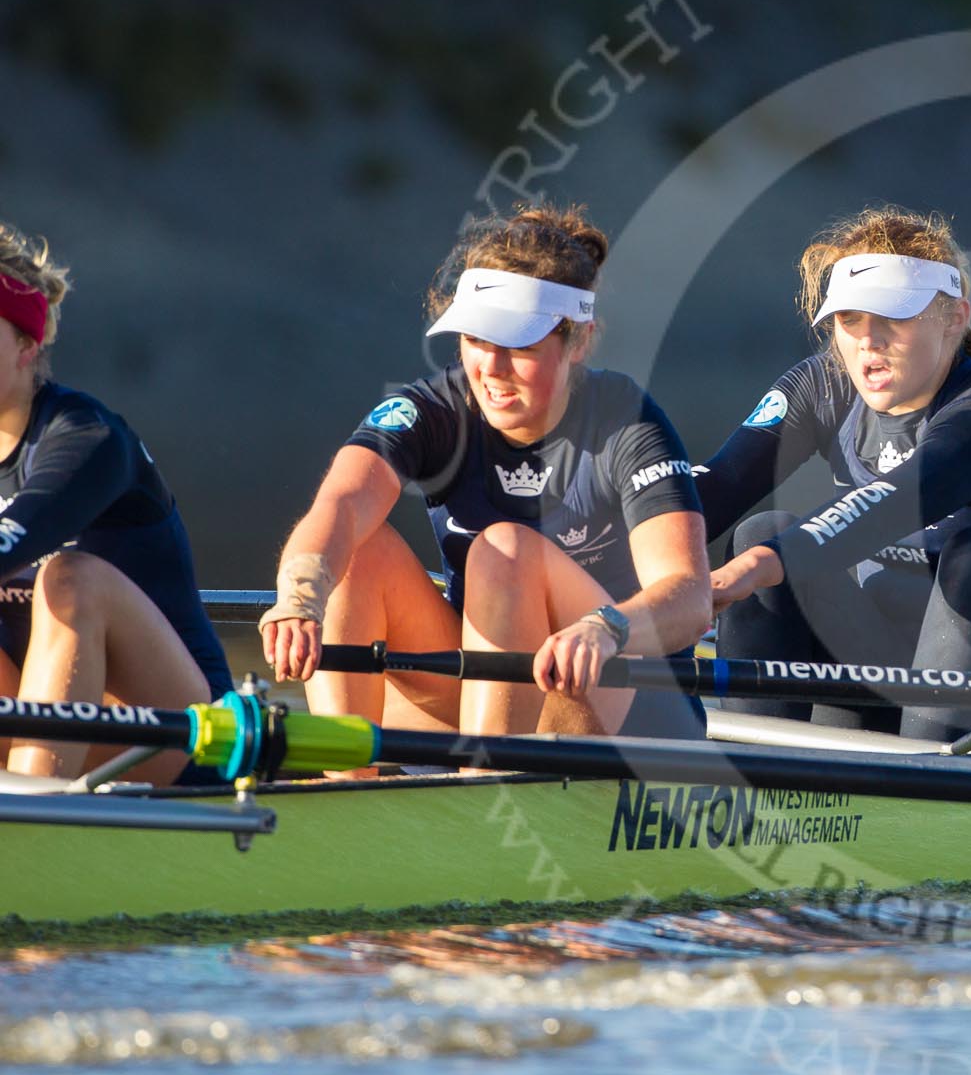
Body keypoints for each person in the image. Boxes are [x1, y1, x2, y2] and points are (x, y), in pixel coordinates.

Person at [261, 204, 713, 752]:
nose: (491, 369)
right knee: (358, 548)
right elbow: (343, 503)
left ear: (579, 342)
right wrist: (298, 598)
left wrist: (605, 628)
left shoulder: (626, 420)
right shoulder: (429, 411)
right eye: (476, 339)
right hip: (495, 690)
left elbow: (689, 601)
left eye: (519, 346)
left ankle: (486, 790)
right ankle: (343, 780)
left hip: (626, 699)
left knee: (505, 550)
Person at [700, 207, 971, 740]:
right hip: (888, 672)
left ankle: (923, 781)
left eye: (894, 318)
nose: (869, 341)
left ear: (955, 318)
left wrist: (750, 569)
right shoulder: (821, 387)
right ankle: (750, 780)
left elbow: (898, 497)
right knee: (761, 530)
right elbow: (718, 485)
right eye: (850, 320)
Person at [0, 224, 229, 783]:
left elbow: (19, 534)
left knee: (72, 578)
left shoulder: (87, 437)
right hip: (50, 718)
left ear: (28, 346)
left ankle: (33, 819)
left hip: (185, 734)